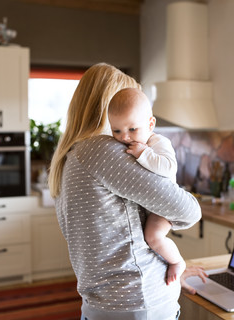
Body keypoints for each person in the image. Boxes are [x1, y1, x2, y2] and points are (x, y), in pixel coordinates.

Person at [48, 62, 202, 320]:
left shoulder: (68, 157)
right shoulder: (101, 150)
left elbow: (114, 239)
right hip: (138, 303)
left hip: (102, 304)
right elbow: (188, 210)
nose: (128, 134)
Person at [108, 88, 184, 285]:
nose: (125, 137)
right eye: (117, 130)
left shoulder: (158, 142)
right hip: (148, 206)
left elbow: (168, 167)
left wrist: (144, 153)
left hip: (163, 208)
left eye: (132, 129)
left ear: (151, 124)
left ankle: (177, 262)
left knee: (153, 237)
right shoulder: (128, 142)